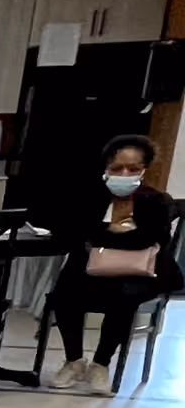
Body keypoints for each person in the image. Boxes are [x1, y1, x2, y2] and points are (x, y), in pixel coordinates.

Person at [45, 134, 181, 394]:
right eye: (117, 168)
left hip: (139, 272)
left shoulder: (155, 200)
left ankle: (101, 364)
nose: (124, 173)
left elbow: (151, 239)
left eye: (133, 168)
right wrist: (115, 233)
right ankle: (74, 361)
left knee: (125, 295)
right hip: (92, 269)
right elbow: (73, 234)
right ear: (106, 168)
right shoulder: (89, 197)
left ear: (144, 170)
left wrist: (105, 236)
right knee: (65, 292)